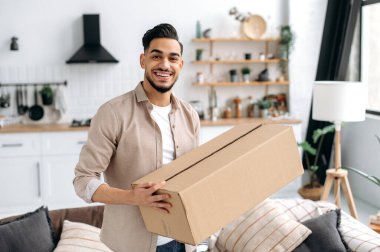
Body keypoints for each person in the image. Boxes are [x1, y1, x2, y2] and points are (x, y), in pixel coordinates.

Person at [73, 23, 200, 252]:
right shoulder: (113, 113)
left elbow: (193, 178)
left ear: (180, 65)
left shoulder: (190, 116)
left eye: (173, 58)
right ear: (143, 61)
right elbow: (83, 181)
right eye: (156, 56)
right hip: (132, 245)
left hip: (183, 242)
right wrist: (133, 197)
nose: (164, 65)